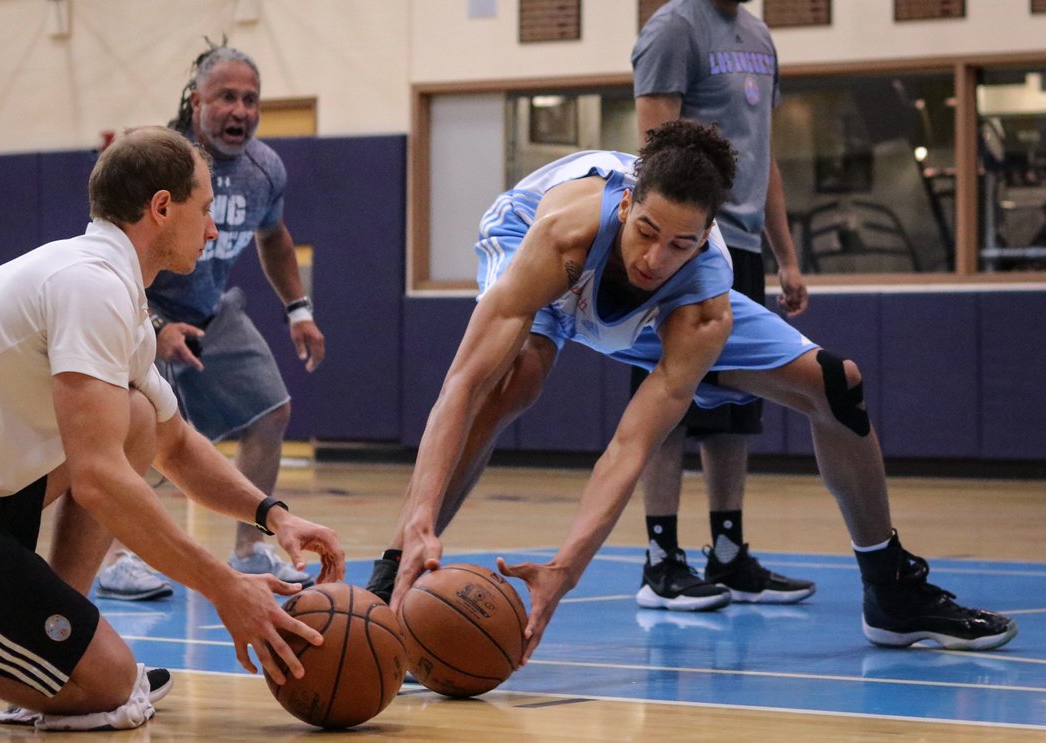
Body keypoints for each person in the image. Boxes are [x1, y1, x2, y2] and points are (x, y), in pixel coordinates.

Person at [367, 120, 1016, 663]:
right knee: (514, 379)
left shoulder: (702, 299)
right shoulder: (560, 234)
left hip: (657, 316)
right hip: (538, 250)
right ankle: (391, 578)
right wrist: (419, 515)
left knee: (838, 387)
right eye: (646, 231)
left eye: (680, 242)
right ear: (626, 206)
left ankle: (891, 591)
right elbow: (462, 382)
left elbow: (631, 444)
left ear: (704, 238)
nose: (654, 256)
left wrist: (566, 567)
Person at [0, 126, 344, 730]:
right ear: (162, 207)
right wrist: (226, 588)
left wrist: (275, 515)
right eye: (206, 209)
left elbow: (175, 445)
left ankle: (52, 647)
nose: (213, 230)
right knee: (108, 687)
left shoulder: (116, 291)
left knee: (137, 417)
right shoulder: (91, 285)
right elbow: (99, 482)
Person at [95, 42, 326, 599]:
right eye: (226, 97)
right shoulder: (156, 159)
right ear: (196, 101)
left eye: (251, 99)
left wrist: (298, 309)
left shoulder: (265, 169)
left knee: (272, 410)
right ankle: (114, 559)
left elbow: (274, 238)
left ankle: (250, 549)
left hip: (212, 310)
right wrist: (151, 325)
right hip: (139, 302)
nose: (240, 110)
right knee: (133, 433)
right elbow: (110, 251)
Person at [628, 0, 812, 612]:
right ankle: (660, 561)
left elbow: (763, 157)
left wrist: (784, 254)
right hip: (688, 248)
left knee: (737, 404)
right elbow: (655, 153)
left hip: (745, 246)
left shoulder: (760, 34)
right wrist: (673, 248)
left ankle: (728, 554)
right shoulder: (674, 28)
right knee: (668, 404)